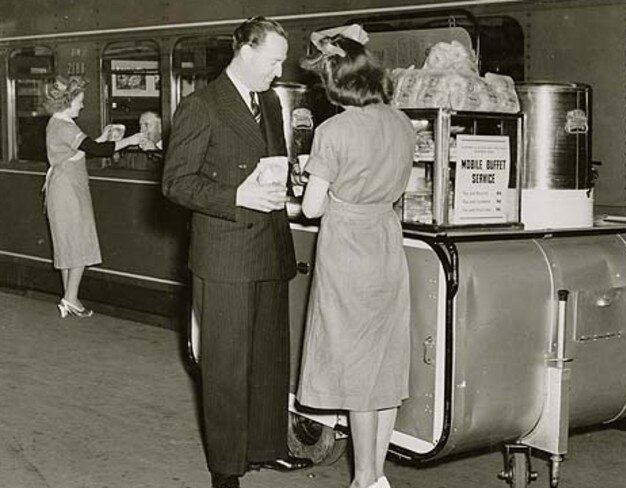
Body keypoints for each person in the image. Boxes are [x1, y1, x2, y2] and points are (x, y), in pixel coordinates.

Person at [162, 17, 311, 488]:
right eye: (274, 60)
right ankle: (226, 468)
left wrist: (294, 178)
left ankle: (266, 446)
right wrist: (236, 197)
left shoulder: (268, 100)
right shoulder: (201, 106)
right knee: (225, 367)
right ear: (246, 53)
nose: (280, 69)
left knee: (268, 359)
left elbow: (273, 160)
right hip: (225, 254)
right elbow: (176, 183)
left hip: (269, 247)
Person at [295, 26, 415, 488]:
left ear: (335, 82)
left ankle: (364, 480)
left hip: (348, 247)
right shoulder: (400, 121)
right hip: (387, 241)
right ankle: (378, 476)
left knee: (358, 369)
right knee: (384, 365)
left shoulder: (333, 130)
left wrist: (306, 188)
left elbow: (312, 207)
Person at [43, 75, 145, 318]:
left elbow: (82, 149)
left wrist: (102, 137)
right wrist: (131, 140)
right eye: (80, 100)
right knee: (78, 242)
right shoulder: (65, 126)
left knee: (68, 244)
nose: (82, 104)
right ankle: (70, 298)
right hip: (69, 191)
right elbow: (97, 151)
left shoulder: (58, 122)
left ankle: (69, 296)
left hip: (64, 187)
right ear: (68, 101)